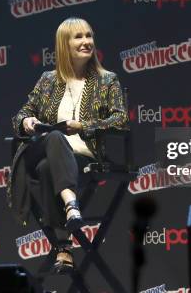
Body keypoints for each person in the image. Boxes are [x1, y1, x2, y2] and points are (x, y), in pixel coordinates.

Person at [9, 17, 129, 273]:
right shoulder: (47, 80)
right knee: (54, 137)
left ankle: (63, 247)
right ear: (64, 44)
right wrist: (28, 120)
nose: (86, 41)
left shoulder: (107, 80)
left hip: (82, 155)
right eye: (78, 37)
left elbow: (121, 119)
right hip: (45, 145)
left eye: (89, 35)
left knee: (44, 170)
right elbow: (19, 116)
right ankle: (71, 204)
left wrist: (83, 126)